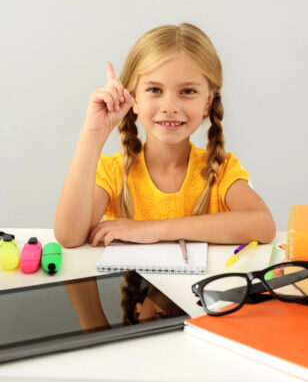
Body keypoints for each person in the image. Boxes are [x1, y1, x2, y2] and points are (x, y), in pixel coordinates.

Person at [54, 23, 276, 248]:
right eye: (154, 90)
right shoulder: (114, 173)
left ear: (208, 101)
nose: (170, 106)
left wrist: (153, 230)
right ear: (134, 97)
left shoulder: (221, 169)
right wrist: (93, 133)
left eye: (188, 91)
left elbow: (264, 224)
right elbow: (69, 236)